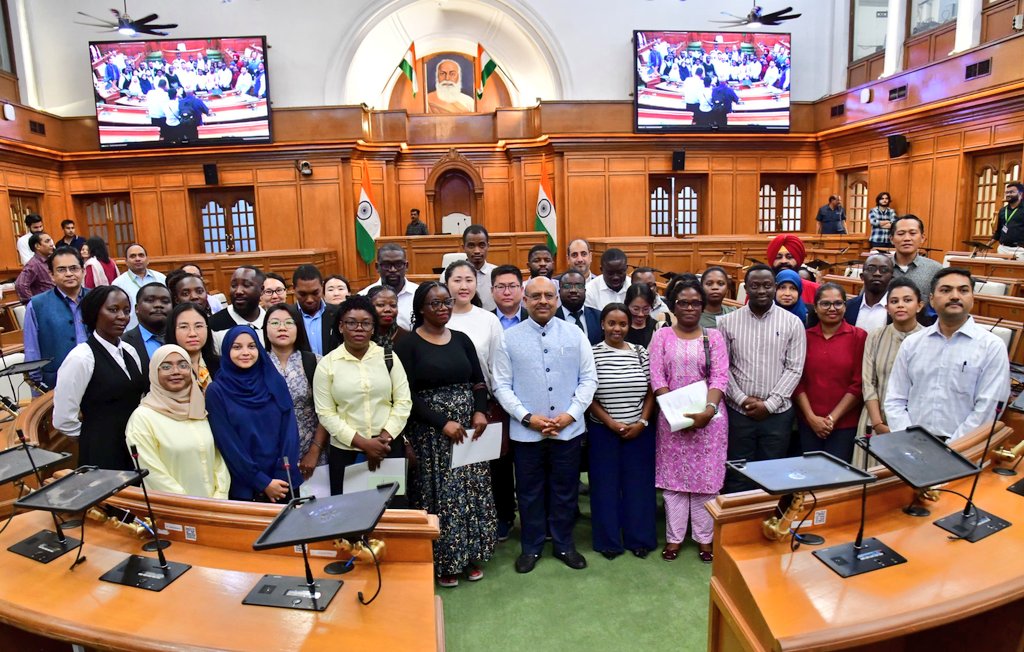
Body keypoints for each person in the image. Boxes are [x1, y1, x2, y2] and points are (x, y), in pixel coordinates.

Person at [493, 277, 598, 574]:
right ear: (525, 300)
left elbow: (588, 379)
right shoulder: (509, 338)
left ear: (557, 300)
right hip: (526, 432)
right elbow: (501, 385)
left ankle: (564, 544)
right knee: (529, 492)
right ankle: (532, 546)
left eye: (549, 296)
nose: (543, 301)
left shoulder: (574, 333)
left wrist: (571, 415)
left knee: (565, 490)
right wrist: (527, 417)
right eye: (536, 296)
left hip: (568, 430)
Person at [394, 282, 497, 587]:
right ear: (420, 309)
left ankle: (470, 555)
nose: (443, 308)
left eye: (446, 302)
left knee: (469, 493)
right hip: (431, 435)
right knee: (440, 497)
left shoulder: (462, 339)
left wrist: (480, 411)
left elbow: (478, 382)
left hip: (467, 432)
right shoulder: (408, 345)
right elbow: (406, 395)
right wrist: (442, 423)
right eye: (435, 303)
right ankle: (444, 561)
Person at [649, 277, 729, 563]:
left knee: (706, 482)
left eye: (696, 303)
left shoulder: (713, 337)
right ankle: (674, 538)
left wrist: (708, 410)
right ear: (673, 306)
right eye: (683, 303)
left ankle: (705, 539)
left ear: (703, 306)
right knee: (675, 483)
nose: (690, 308)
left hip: (710, 420)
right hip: (672, 420)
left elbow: (720, 376)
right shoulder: (662, 337)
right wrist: (675, 412)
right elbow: (657, 376)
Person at [885, 268, 1010, 440]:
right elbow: (895, 398)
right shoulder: (912, 343)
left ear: (973, 298)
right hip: (911, 443)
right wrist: (908, 439)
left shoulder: (991, 347)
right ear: (931, 299)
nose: (955, 296)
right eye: (945, 290)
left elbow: (988, 408)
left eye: (963, 290)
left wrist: (951, 448)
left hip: (965, 448)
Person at [717, 265, 806, 493]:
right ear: (746, 288)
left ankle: (768, 516)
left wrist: (769, 404)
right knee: (737, 474)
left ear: (774, 287)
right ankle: (738, 516)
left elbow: (794, 368)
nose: (761, 291)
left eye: (767, 285)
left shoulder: (792, 322)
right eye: (755, 286)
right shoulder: (727, 322)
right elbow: (722, 367)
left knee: (772, 476)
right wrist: (742, 399)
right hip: (739, 413)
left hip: (777, 414)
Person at [314, 295, 411, 498]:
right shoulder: (327, 364)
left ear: (373, 329)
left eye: (366, 323)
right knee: (350, 510)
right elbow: (326, 413)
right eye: (351, 323)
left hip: (387, 448)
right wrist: (364, 444)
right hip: (346, 452)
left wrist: (382, 440)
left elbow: (403, 402)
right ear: (341, 326)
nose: (359, 328)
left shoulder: (388, 357)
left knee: (390, 508)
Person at [587, 303, 656, 560]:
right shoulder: (592, 353)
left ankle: (640, 539)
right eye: (612, 323)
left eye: (623, 324)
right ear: (602, 325)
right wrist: (610, 423)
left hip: (639, 432)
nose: (617, 328)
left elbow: (651, 391)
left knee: (639, 486)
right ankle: (608, 541)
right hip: (603, 431)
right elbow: (587, 395)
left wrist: (642, 422)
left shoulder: (640, 352)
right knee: (605, 485)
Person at [53, 285, 148, 470]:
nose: (122, 316)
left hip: (134, 443)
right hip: (102, 452)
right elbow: (63, 419)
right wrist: (94, 437)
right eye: (113, 310)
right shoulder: (81, 357)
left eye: (126, 310)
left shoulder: (130, 350)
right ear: (95, 313)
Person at [206, 326, 303, 501]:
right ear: (226, 350)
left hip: (283, 482)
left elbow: (289, 430)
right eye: (237, 347)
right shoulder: (217, 391)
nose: (245, 352)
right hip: (247, 486)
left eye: (252, 346)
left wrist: (281, 475)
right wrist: (262, 482)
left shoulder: (274, 381)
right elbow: (228, 445)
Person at [125, 344, 230, 498]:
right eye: (166, 367)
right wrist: (188, 504)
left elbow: (218, 458)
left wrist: (220, 495)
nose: (176, 371)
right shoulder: (143, 418)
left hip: (214, 506)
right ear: (154, 372)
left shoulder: (200, 408)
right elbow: (153, 473)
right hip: (172, 508)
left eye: (183, 365)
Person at [794, 283, 867, 462]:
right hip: (808, 423)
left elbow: (858, 383)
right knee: (810, 474)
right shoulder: (804, 336)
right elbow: (797, 380)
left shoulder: (859, 336)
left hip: (845, 424)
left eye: (838, 303)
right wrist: (811, 418)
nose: (832, 308)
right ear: (815, 308)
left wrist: (832, 419)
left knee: (837, 474)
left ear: (845, 306)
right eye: (825, 304)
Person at [263, 303, 330, 498]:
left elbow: (327, 411)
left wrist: (314, 451)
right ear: (265, 329)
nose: (282, 328)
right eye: (275, 323)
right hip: (271, 458)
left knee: (316, 511)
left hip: (313, 456)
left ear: (299, 327)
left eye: (289, 322)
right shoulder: (257, 364)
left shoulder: (315, 362)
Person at [861, 278, 924, 436]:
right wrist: (877, 423)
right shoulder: (876, 336)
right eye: (894, 301)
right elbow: (868, 383)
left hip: (915, 425)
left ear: (919, 306)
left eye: (907, 300)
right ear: (887, 308)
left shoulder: (928, 339)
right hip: (874, 419)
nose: (900, 305)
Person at [23, 246, 88, 388]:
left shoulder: (96, 298)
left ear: (83, 271)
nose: (69, 274)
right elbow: (31, 349)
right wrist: (37, 386)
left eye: (74, 268)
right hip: (56, 382)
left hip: (97, 375)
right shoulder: (37, 305)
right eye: (61, 270)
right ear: (51, 275)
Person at [445, 260, 504, 390]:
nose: (464, 286)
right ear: (446, 284)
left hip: (484, 396)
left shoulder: (489, 320)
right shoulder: (438, 320)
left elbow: (498, 368)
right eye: (457, 280)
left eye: (469, 280)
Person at [889, 215, 942, 320]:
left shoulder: (936, 270)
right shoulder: (881, 268)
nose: (907, 238)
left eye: (912, 233)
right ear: (891, 239)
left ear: (922, 238)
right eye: (901, 234)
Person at [359, 244, 419, 331]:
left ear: (406, 266)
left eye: (398, 265)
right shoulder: (363, 296)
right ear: (377, 267)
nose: (393, 269)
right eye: (386, 265)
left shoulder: (419, 294)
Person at [164, 301, 220, 390]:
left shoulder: (221, 366)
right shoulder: (164, 370)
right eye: (184, 327)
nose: (192, 334)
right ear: (172, 330)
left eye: (198, 326)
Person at [112, 243, 167, 330]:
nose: (137, 259)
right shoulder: (118, 284)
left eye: (141, 255)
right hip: (132, 332)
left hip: (161, 330)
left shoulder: (161, 278)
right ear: (126, 261)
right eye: (133, 256)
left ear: (147, 259)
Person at [121, 283, 172, 374]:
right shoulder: (123, 343)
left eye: (165, 301)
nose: (158, 305)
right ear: (137, 308)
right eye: (150, 300)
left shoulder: (182, 337)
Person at [209, 266, 267, 345]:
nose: (238, 291)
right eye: (234, 285)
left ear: (262, 290)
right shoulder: (213, 324)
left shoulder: (270, 322)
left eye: (246, 285)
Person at [292, 264, 339, 357]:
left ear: (322, 286)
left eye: (315, 293)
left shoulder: (338, 313)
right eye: (303, 294)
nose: (309, 299)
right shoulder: (287, 316)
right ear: (293, 289)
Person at [451, 224, 496, 311]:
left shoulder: (497, 274)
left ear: (488, 246)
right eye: (471, 246)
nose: (477, 251)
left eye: (481, 245)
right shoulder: (450, 275)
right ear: (463, 247)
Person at [845, 253, 893, 333]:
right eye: (871, 269)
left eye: (884, 270)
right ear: (862, 276)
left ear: (891, 278)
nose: (877, 273)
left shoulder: (897, 309)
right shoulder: (848, 307)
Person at [554, 270, 602, 345]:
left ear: (585, 291)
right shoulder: (552, 318)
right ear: (559, 292)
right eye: (567, 286)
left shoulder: (599, 317)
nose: (573, 290)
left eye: (579, 286)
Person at [767, 234, 818, 304]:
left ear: (798, 260)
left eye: (789, 257)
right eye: (778, 257)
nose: (784, 261)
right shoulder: (761, 290)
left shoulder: (815, 289)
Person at [15, 232, 55, 303]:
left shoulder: (50, 261)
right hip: (45, 304)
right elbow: (20, 285)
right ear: (37, 246)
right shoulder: (33, 264)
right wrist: (32, 303)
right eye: (47, 241)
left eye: (50, 241)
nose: (51, 244)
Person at [367, 284, 408, 351]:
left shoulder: (406, 337)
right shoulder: (362, 337)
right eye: (381, 305)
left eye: (393, 305)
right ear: (369, 306)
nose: (388, 309)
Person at [624, 282, 665, 348]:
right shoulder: (620, 327)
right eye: (636, 309)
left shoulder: (659, 328)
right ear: (627, 305)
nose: (641, 314)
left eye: (645, 309)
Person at [990, 182, 1024, 258]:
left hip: (1020, 249)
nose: (1008, 194)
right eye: (1006, 192)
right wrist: (986, 245)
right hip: (1002, 249)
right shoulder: (1002, 210)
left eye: (1011, 192)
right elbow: (998, 232)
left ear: (1020, 193)